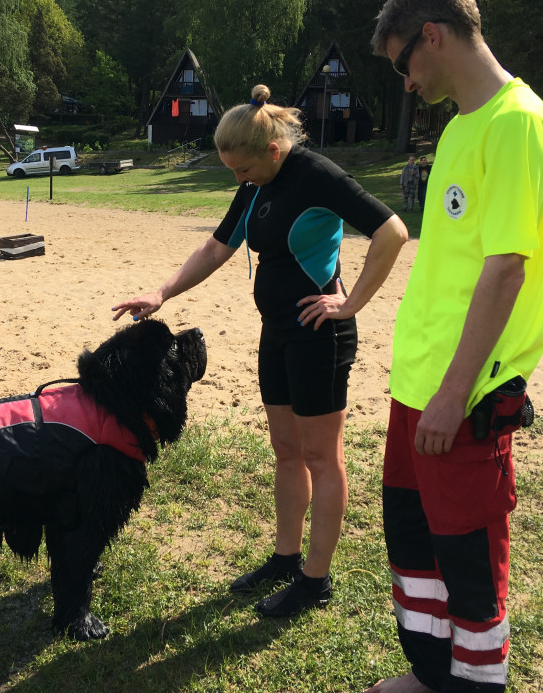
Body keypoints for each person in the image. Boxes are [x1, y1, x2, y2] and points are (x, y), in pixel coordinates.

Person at [113, 83, 408, 618]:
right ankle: (286, 558)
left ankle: (315, 581)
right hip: (277, 333)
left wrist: (351, 303)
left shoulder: (318, 175)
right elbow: (217, 245)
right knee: (286, 450)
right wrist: (162, 292)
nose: (237, 179)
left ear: (272, 150)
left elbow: (392, 231)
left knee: (322, 456)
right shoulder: (255, 184)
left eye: (242, 169)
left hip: (321, 337)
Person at [366, 0, 543, 693]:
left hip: (466, 395)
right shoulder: (457, 129)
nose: (406, 84)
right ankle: (430, 676)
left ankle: (476, 687)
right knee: (416, 544)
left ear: (433, 35)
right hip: (417, 384)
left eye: (402, 64)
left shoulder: (518, 121)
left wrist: (453, 395)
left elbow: (506, 270)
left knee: (470, 556)